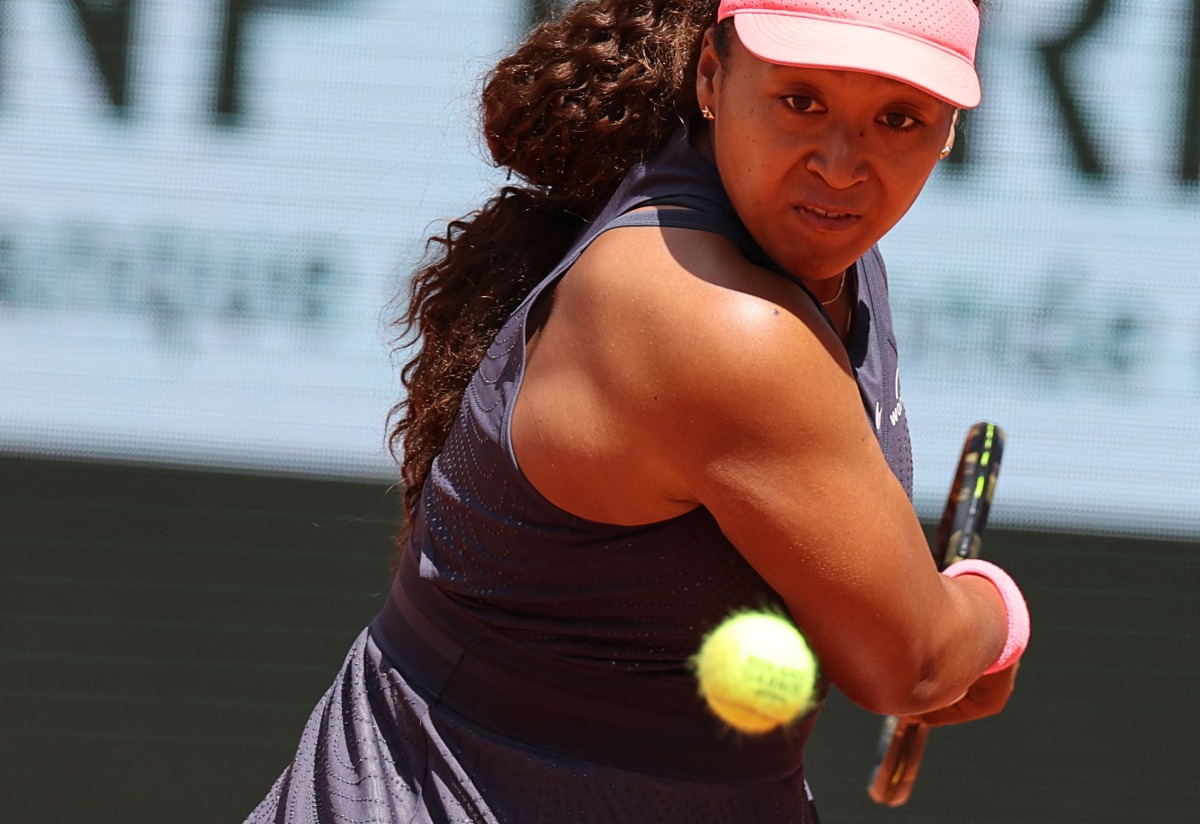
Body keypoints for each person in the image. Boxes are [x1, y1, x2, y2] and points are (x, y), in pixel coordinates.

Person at [247, 0, 1030, 821]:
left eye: (899, 119)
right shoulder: (718, 323)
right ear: (712, 77)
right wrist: (992, 609)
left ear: (948, 130)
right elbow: (910, 664)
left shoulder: (815, 240)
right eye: (801, 101)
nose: (840, 165)